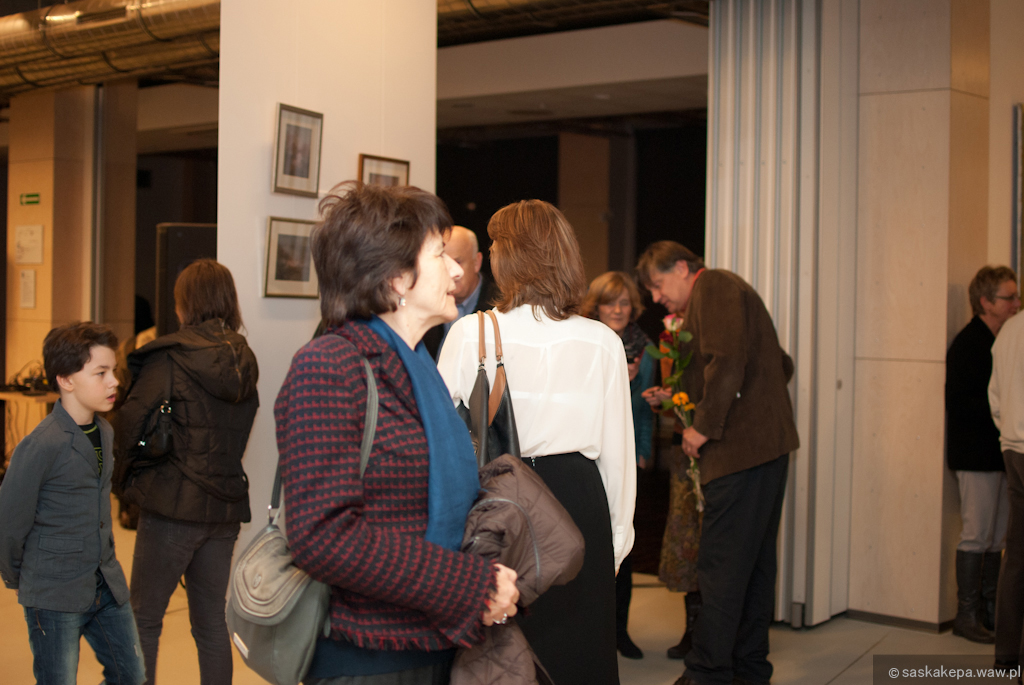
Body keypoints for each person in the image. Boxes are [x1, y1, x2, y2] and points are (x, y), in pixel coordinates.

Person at [274, 181, 519, 685]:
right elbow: (321, 536)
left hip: (435, 641)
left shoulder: (414, 363)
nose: (457, 270)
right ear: (396, 278)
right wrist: (468, 584)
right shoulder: (329, 366)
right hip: (366, 656)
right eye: (439, 254)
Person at [439, 200, 636, 685]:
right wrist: (615, 545)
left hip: (502, 501)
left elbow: (441, 445)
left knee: (500, 660)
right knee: (580, 657)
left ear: (509, 257)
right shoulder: (602, 341)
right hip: (580, 503)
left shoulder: (471, 333)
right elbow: (618, 456)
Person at [636, 241, 799, 685]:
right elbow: (778, 365)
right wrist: (679, 397)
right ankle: (749, 668)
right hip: (763, 451)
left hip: (738, 455)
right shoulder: (723, 294)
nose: (656, 298)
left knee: (721, 568)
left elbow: (727, 361)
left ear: (683, 268)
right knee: (753, 566)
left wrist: (703, 427)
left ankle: (708, 673)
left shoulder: (715, 287)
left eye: (658, 284)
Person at [114, 259, 259, 685]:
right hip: (224, 508)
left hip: (172, 507)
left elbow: (129, 424)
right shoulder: (243, 359)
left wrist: (123, 483)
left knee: (143, 619)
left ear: (184, 304)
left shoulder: (170, 356)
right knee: (211, 622)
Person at [0, 322, 146, 685]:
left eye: (114, 371)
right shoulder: (41, 444)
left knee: (131, 675)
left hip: (105, 581)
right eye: (101, 373)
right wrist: (19, 577)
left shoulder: (106, 431)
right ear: (66, 380)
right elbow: (9, 521)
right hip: (53, 590)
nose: (114, 381)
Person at [582, 271, 655, 660]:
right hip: (589, 457)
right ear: (596, 307)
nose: (617, 309)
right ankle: (590, 632)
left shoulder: (647, 351)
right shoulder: (586, 343)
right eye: (610, 302)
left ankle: (619, 632)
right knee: (587, 546)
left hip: (628, 459)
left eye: (624, 302)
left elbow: (642, 413)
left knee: (622, 546)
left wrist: (642, 453)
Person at [947, 266, 1019, 644]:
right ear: (985, 302)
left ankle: (990, 610)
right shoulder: (969, 343)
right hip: (975, 456)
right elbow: (961, 403)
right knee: (976, 534)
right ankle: (967, 614)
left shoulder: (1004, 339)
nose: (1016, 304)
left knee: (997, 539)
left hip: (1000, 454)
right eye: (1009, 297)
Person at [989, 289, 1024, 669]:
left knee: (1016, 557)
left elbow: (995, 398)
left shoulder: (1010, 330)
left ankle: (1007, 656)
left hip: (1013, 450)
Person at [422, 225, 498, 359]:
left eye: (458, 262)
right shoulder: (426, 304)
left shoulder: (500, 305)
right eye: (443, 262)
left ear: (477, 262)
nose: (451, 272)